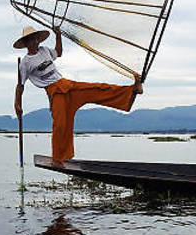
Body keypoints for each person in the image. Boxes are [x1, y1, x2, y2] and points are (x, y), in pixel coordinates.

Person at [13, 25, 142, 167]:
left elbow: (59, 52)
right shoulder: (25, 63)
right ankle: (58, 159)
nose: (34, 41)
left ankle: (132, 90)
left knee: (96, 89)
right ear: (26, 43)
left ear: (38, 39)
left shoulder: (44, 51)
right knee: (61, 125)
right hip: (55, 93)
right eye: (31, 40)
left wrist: (58, 35)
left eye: (36, 38)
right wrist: (17, 104)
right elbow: (20, 86)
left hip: (67, 84)